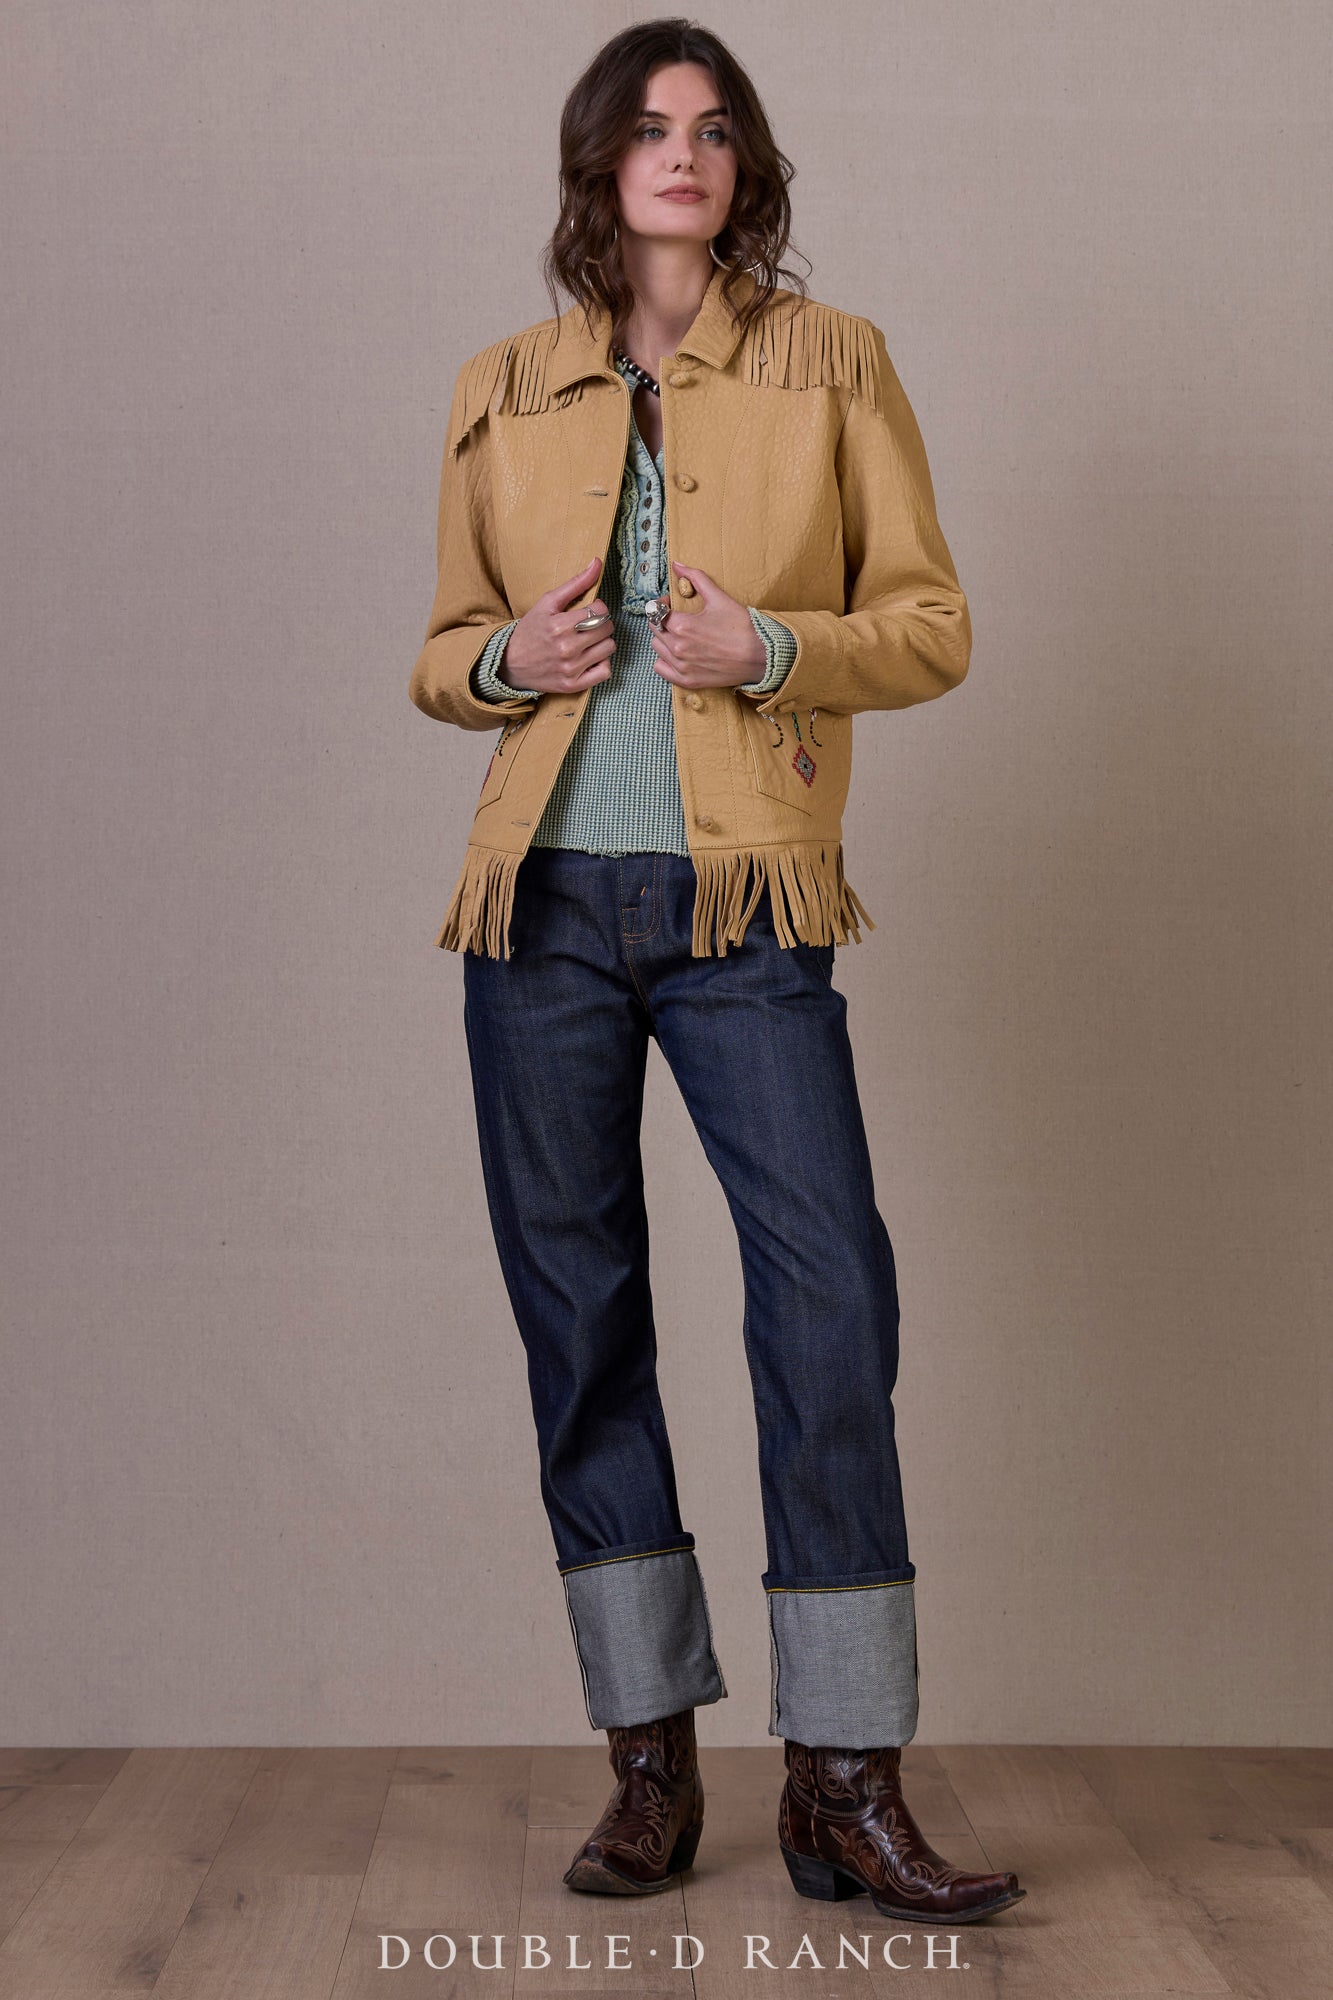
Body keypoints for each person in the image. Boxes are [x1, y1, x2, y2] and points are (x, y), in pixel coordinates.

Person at [409, 18, 1025, 1928]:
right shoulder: (503, 386)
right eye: (648, 126)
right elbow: (441, 650)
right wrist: (506, 662)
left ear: (745, 168)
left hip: (747, 904)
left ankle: (844, 1779)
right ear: (598, 162)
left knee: (827, 1302)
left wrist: (773, 651)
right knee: (579, 1318)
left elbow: (930, 625)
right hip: (538, 911)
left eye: (714, 129)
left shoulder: (835, 362)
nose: (682, 153)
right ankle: (649, 1762)